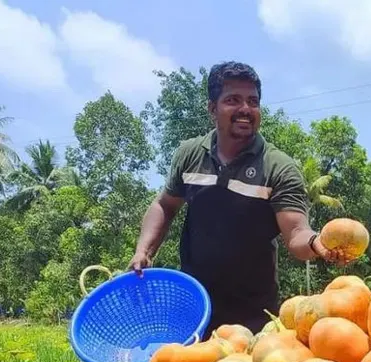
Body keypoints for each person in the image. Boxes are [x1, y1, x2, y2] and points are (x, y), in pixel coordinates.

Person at [130, 61, 342, 334]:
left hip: (253, 317)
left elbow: (296, 232)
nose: (245, 109)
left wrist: (316, 242)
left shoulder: (278, 167)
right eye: (233, 100)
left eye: (253, 102)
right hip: (194, 308)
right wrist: (143, 251)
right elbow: (165, 205)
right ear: (212, 108)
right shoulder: (190, 154)